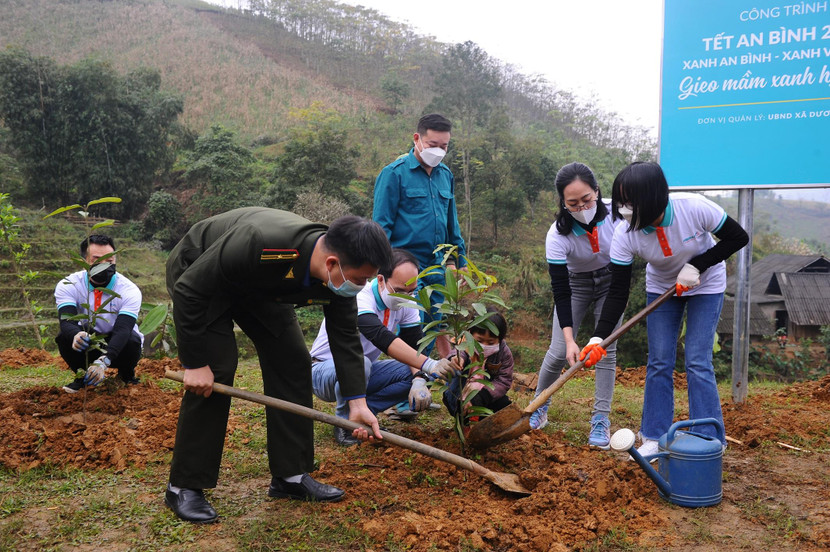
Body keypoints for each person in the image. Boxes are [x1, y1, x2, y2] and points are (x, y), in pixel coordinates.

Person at [163, 207, 392, 524]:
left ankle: (291, 476)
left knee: (292, 361)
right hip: (201, 274)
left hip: (261, 288)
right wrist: (195, 363)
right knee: (217, 370)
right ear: (331, 263)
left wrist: (357, 402)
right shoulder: (262, 243)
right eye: (360, 279)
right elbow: (190, 289)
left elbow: (344, 334)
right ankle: (183, 486)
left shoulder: (340, 275)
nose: (362, 286)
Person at [579, 162, 749, 459]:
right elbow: (618, 292)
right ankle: (655, 436)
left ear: (653, 197)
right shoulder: (625, 232)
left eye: (629, 202)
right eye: (620, 201)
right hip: (661, 288)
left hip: (705, 284)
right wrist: (598, 337)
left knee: (697, 359)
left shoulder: (693, 208)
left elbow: (738, 237)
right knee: (659, 360)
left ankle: (708, 437)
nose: (622, 209)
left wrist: (697, 265)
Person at [309, 249, 455, 446]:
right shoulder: (360, 297)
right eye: (399, 291)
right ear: (380, 279)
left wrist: (420, 378)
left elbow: (413, 348)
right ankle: (346, 425)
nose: (406, 297)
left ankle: (365, 413)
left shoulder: (408, 304)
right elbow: (381, 338)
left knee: (411, 371)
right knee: (360, 363)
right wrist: (429, 364)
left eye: (411, 291)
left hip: (362, 371)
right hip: (323, 371)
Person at [529, 162, 625, 450]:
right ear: (563, 202)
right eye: (572, 203)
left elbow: (625, 270)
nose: (582, 206)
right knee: (559, 350)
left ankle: (600, 419)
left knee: (604, 350)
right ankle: (538, 405)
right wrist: (571, 339)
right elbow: (560, 289)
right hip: (575, 284)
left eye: (587, 199)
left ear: (597, 191)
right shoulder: (557, 235)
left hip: (612, 281)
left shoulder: (618, 215)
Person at [372, 113, 466, 358]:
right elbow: (381, 228)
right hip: (406, 267)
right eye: (433, 145)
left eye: (444, 146)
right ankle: (412, 382)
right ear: (417, 139)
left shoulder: (445, 175)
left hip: (439, 266)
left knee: (441, 323)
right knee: (414, 328)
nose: (438, 151)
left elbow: (451, 225)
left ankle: (449, 381)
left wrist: (459, 261)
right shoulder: (394, 174)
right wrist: (386, 268)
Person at [55, 234, 143, 393]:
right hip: (89, 339)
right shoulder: (68, 285)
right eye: (97, 260)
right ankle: (82, 377)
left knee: (132, 340)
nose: (104, 265)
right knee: (64, 337)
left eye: (110, 261)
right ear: (83, 262)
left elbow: (123, 329)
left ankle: (126, 374)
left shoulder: (128, 290)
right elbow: (67, 321)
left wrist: (104, 361)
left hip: (118, 343)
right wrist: (76, 334)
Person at [442, 309, 514, 421]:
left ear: (500, 339)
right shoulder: (465, 343)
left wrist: (481, 397)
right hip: (460, 393)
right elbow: (458, 353)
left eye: (490, 343)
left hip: (487, 395)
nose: (484, 346)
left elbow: (504, 380)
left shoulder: (504, 353)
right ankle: (464, 421)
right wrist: (456, 360)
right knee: (463, 412)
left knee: (504, 406)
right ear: (470, 334)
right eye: (479, 340)